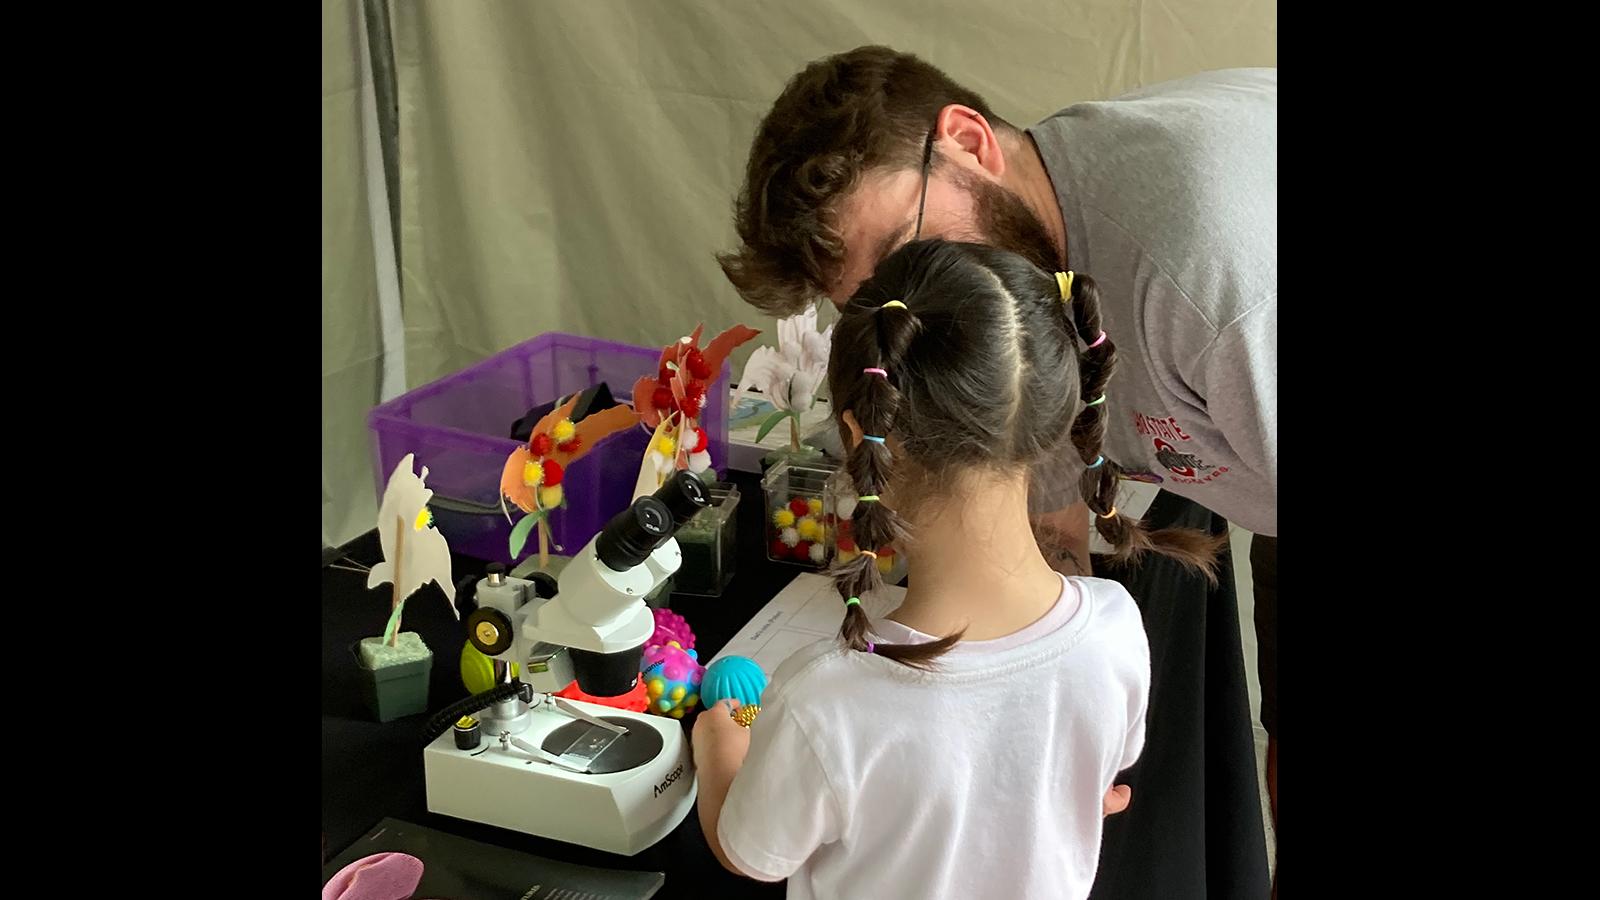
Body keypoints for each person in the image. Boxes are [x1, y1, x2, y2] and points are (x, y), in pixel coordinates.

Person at [716, 46, 1277, 896]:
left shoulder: (1210, 285)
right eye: (874, 301)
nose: (919, 303)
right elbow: (1042, 533)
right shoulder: (1007, 278)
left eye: (904, 253)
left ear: (969, 142)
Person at [693, 239, 1224, 899]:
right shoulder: (1117, 626)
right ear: (1055, 418)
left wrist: (718, 741)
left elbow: (751, 854)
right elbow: (1101, 780)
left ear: (859, 438)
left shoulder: (824, 702)